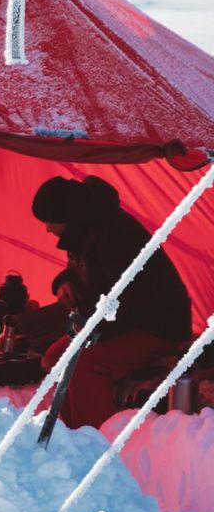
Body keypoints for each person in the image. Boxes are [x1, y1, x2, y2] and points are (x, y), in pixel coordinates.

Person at [31, 175, 192, 429]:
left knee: (83, 365)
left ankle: (96, 439)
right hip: (115, 321)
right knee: (55, 358)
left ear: (67, 214)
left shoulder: (115, 236)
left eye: (50, 221)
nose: (47, 229)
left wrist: (90, 335)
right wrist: (65, 282)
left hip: (155, 325)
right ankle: (71, 431)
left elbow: (131, 302)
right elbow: (78, 270)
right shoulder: (85, 229)